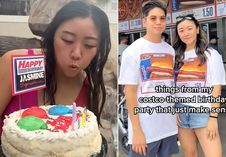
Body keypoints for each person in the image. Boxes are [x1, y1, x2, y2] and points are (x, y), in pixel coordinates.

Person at [0, 1, 111, 134]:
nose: (76, 54)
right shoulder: (15, 64)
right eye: (67, 40)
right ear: (52, 36)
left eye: (89, 45)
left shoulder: (92, 91)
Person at [119, 1, 178, 157]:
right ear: (144, 21)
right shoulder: (133, 51)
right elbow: (129, 93)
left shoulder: (169, 51)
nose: (158, 22)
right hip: (145, 130)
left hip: (168, 126)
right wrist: (137, 131)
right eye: (153, 18)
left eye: (162, 18)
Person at [173, 14, 226, 157]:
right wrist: (174, 109)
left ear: (197, 29)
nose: (186, 33)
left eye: (189, 28)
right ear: (177, 33)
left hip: (203, 111)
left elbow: (216, 88)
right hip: (181, 111)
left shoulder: (211, 54)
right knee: (189, 154)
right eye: (181, 30)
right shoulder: (175, 56)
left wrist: (213, 118)